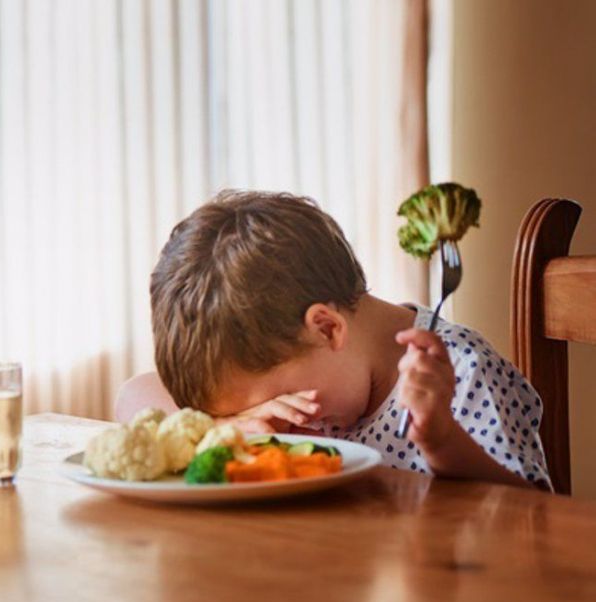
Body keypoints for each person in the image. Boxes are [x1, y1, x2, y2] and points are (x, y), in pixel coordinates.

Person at [116, 189, 549, 488]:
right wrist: (224, 427)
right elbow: (132, 396)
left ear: (327, 328)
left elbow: (533, 518)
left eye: (275, 399)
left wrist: (441, 442)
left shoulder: (460, 376)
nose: (271, 418)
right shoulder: (303, 365)